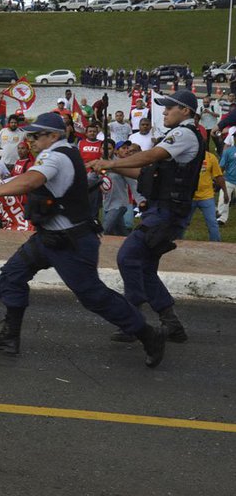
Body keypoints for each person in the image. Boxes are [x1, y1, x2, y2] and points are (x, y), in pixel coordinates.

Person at [0, 112, 166, 367]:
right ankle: (10, 336)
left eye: (36, 136)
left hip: (72, 242)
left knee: (93, 296)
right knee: (12, 275)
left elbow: (31, 181)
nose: (31, 140)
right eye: (31, 135)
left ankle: (148, 334)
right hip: (48, 238)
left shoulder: (55, 156)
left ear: (54, 136)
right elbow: (25, 178)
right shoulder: (62, 153)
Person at [88, 90, 205, 344]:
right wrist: (106, 164)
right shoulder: (177, 136)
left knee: (128, 256)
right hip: (162, 212)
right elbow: (144, 172)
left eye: (169, 108)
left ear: (185, 111)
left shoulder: (183, 134)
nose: (163, 112)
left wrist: (111, 164)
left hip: (166, 214)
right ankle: (172, 325)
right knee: (144, 267)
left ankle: (133, 322)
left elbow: (151, 156)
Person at [180, 149, 225, 242]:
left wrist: (225, 192)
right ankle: (177, 243)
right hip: (189, 197)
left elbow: (218, 176)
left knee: (212, 223)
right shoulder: (185, 157)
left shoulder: (211, 157)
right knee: (182, 222)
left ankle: (216, 245)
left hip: (206, 197)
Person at [217, 142, 236, 225]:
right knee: (223, 198)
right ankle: (221, 218)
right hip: (229, 179)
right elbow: (221, 166)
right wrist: (217, 178)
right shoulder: (228, 151)